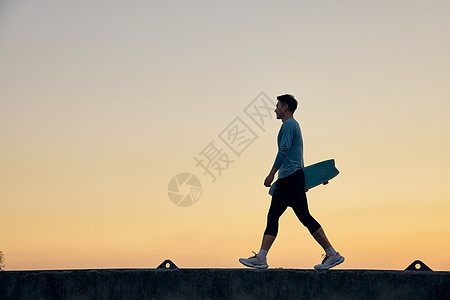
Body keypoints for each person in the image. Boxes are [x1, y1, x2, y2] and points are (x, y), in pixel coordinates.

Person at [239, 94, 344, 270]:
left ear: (285, 107)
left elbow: (285, 150)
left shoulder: (288, 125)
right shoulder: (295, 125)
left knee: (276, 217)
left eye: (278, 106)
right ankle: (332, 254)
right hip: (293, 178)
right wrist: (304, 180)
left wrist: (271, 174)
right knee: (302, 217)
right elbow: (298, 155)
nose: (275, 109)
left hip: (288, 179)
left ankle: (261, 258)